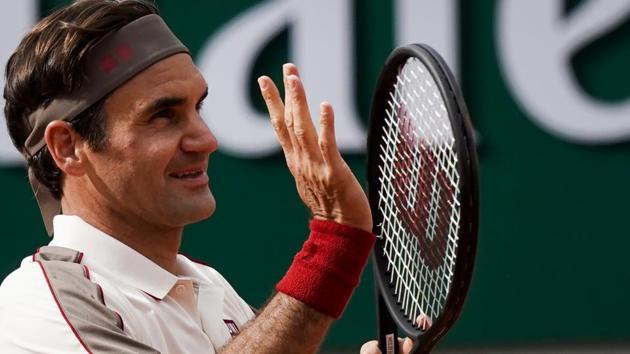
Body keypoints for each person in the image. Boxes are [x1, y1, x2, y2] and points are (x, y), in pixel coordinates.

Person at [0, 1, 414, 353]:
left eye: (198, 108)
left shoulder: (211, 288)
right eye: (163, 115)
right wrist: (335, 242)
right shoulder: (36, 306)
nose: (206, 139)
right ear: (68, 147)